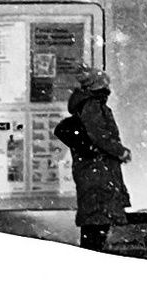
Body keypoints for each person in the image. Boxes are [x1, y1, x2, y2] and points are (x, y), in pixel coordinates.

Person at [54, 64, 132, 252]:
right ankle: (94, 256)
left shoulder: (88, 105)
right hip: (98, 171)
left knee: (96, 218)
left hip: (95, 171)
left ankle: (94, 253)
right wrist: (119, 151)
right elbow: (100, 136)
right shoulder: (93, 106)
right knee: (98, 218)